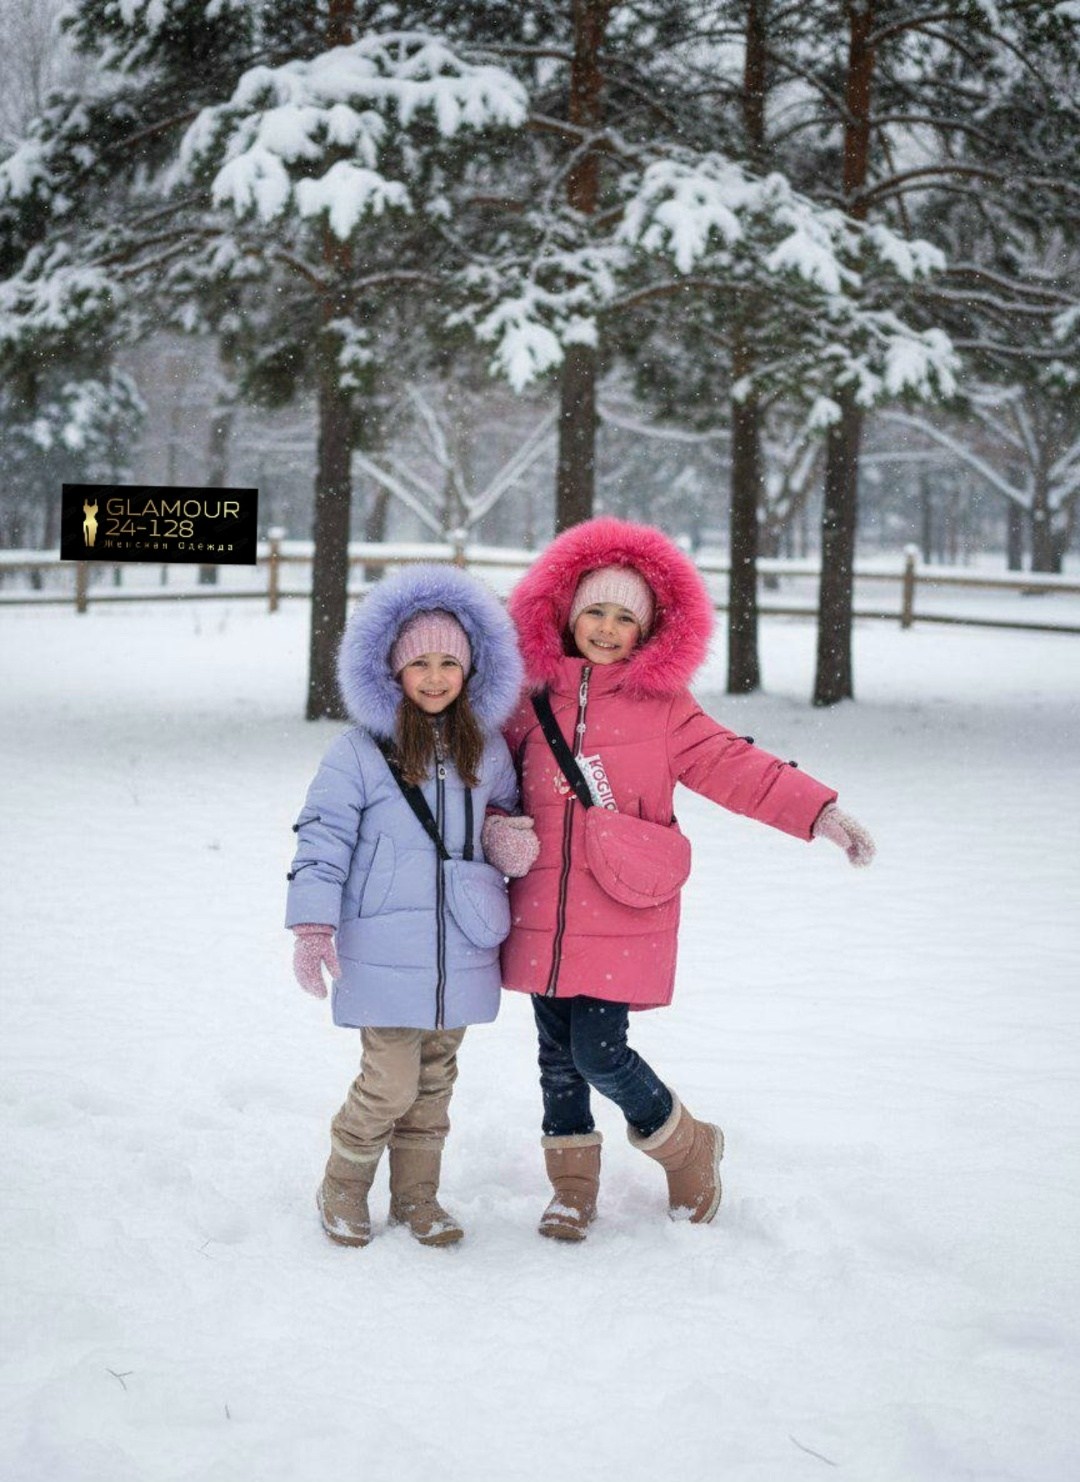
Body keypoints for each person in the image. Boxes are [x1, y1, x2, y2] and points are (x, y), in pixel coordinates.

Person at [501, 517, 875, 1241]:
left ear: (647, 630)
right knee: (555, 1059)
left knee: (598, 1052)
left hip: (623, 901)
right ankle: (572, 1189)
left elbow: (736, 766)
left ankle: (685, 1143)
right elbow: (485, 776)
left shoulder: (662, 707)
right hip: (541, 904)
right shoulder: (528, 701)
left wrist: (818, 811)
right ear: (567, 615)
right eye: (594, 613)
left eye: (623, 617)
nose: (606, 629)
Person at [286, 563, 536, 1249]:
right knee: (388, 1084)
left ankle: (417, 1199)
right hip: (383, 948)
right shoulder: (359, 753)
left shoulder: (485, 749)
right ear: (392, 672)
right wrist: (313, 924)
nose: (433, 676)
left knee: (433, 1087)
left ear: (470, 669)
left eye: (448, 662)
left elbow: (505, 810)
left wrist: (504, 835)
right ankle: (342, 1185)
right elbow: (322, 836)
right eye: (418, 662)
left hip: (460, 948)